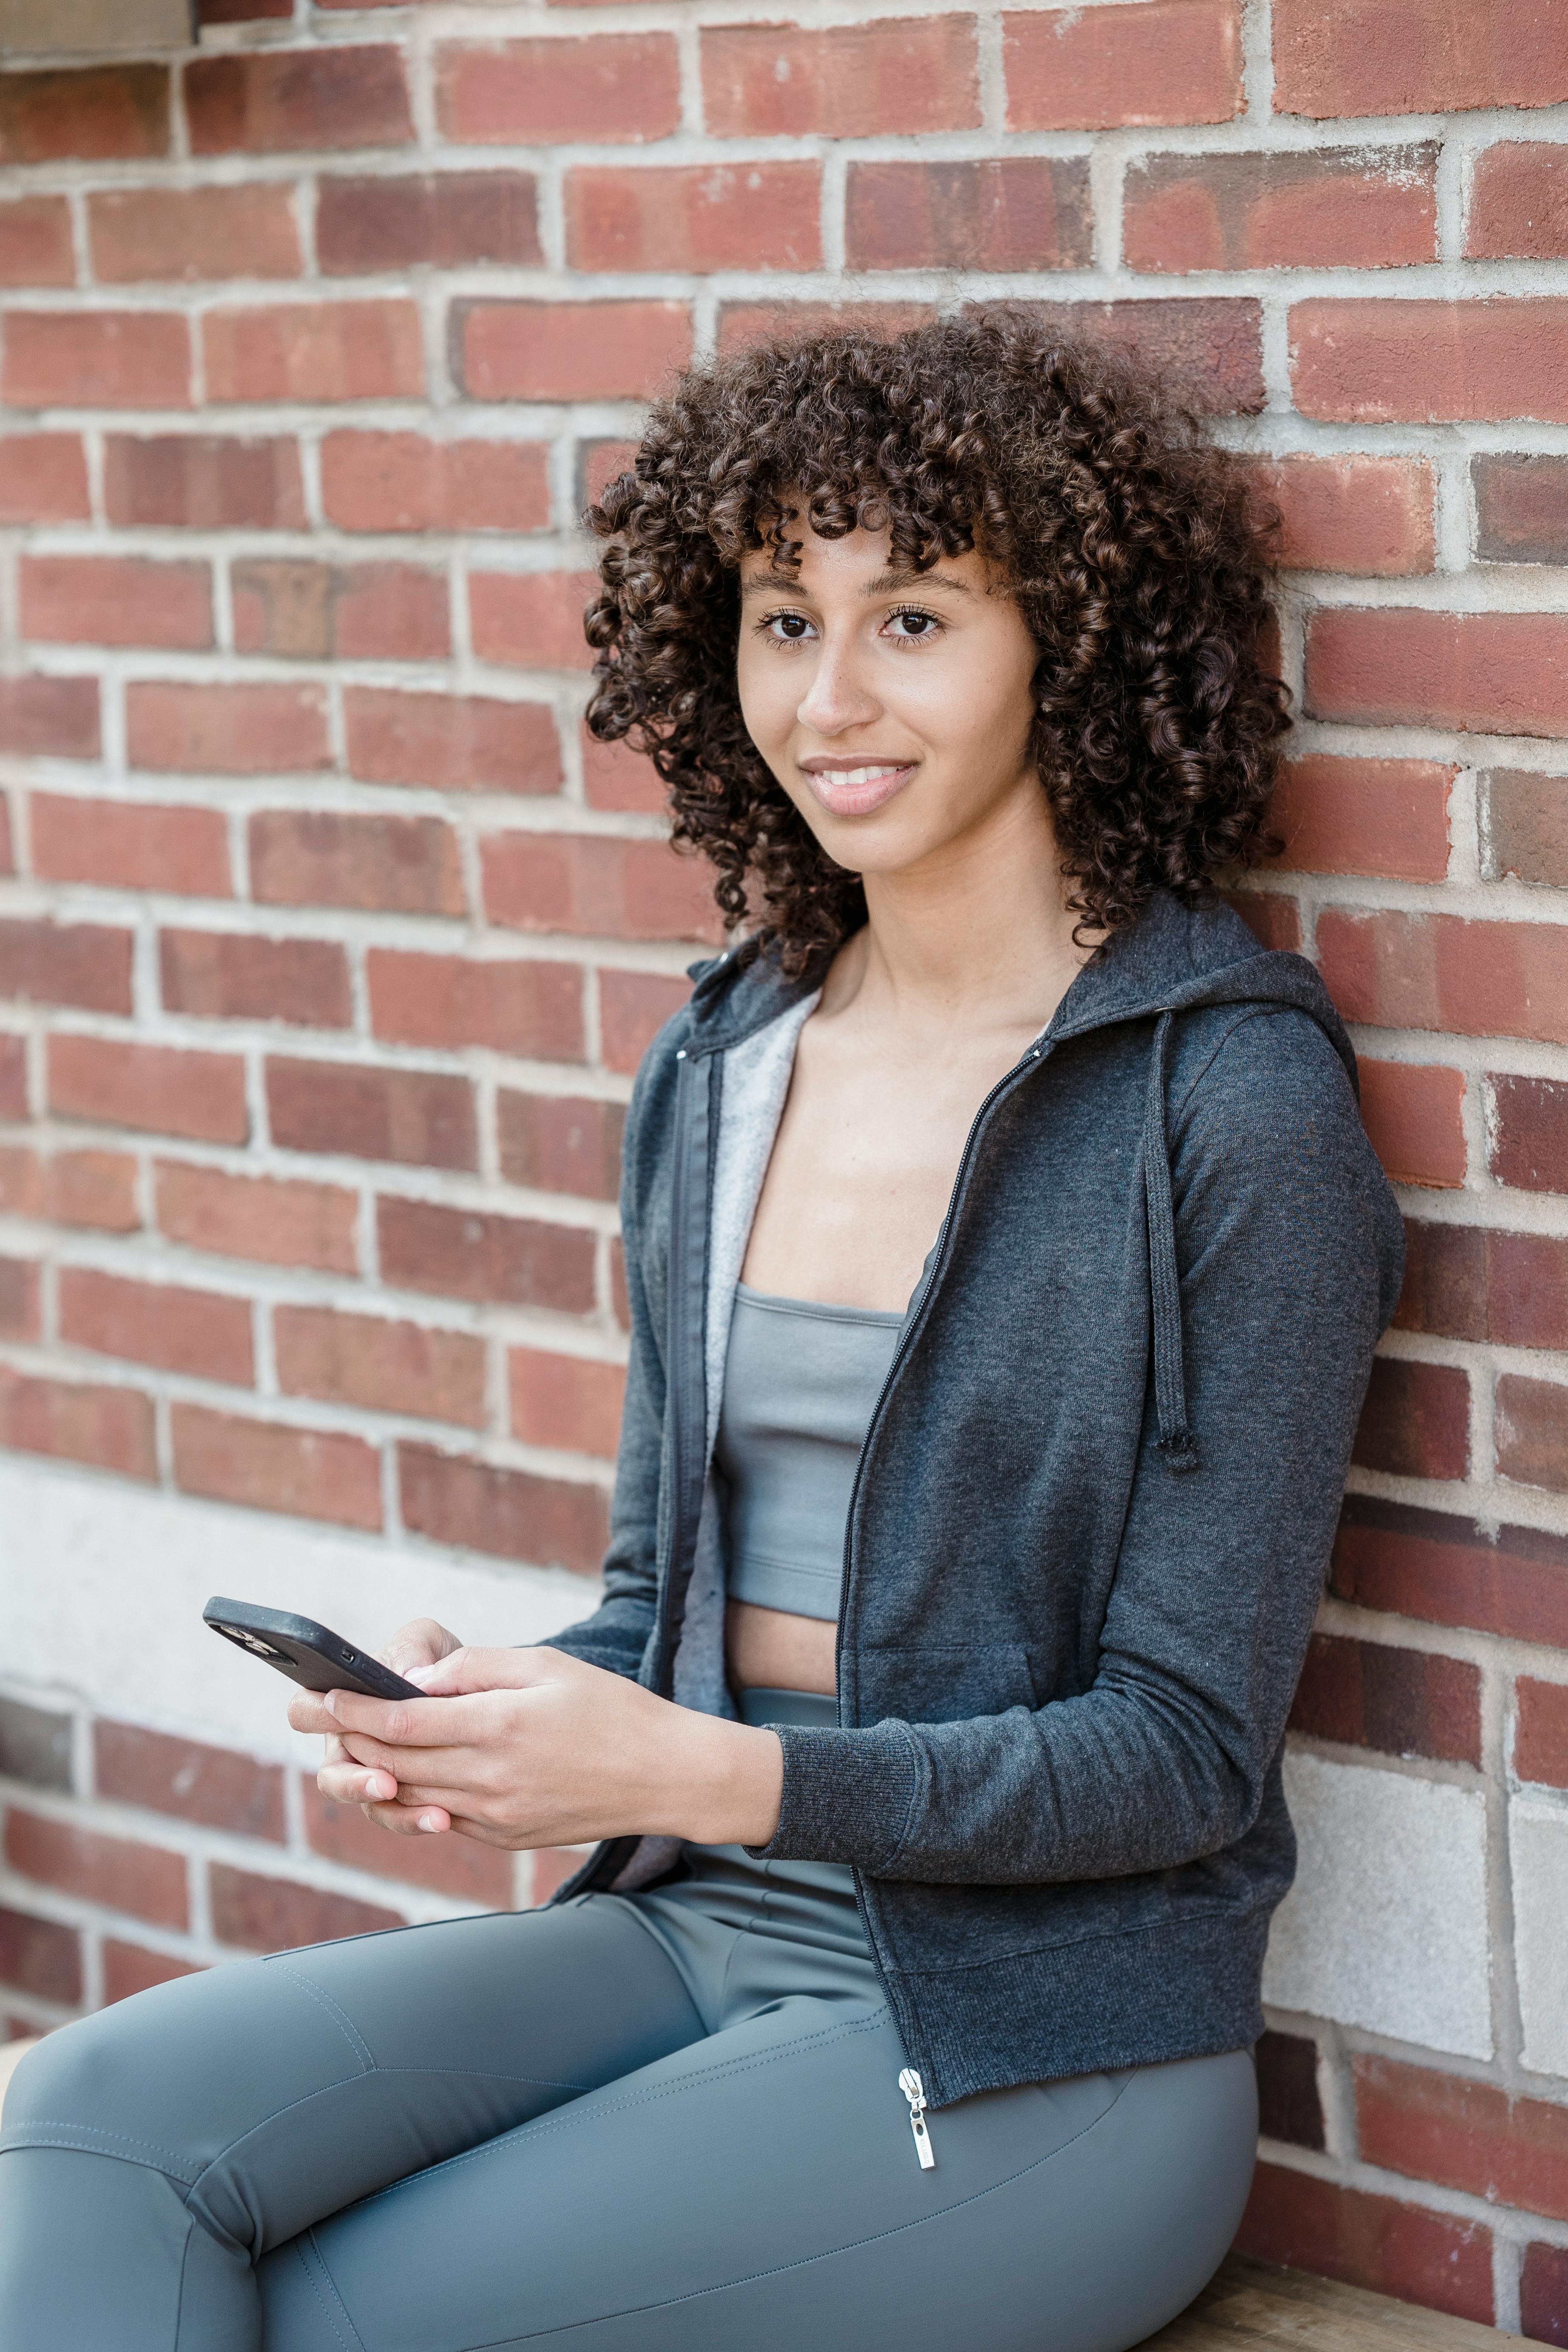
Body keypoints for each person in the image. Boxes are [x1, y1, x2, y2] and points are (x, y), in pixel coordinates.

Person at [0, 311, 1404, 2352]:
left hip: (1044, 2040)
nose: (826, 698)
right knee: (86, 2134)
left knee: (327, 2318)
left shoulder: (1224, 1101)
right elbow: (668, 1598)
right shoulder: (727, 1055)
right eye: (777, 618)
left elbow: (1179, 1752)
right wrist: (500, 1707)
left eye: (911, 617)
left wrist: (703, 1764)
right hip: (688, 1922)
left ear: (1062, 648)